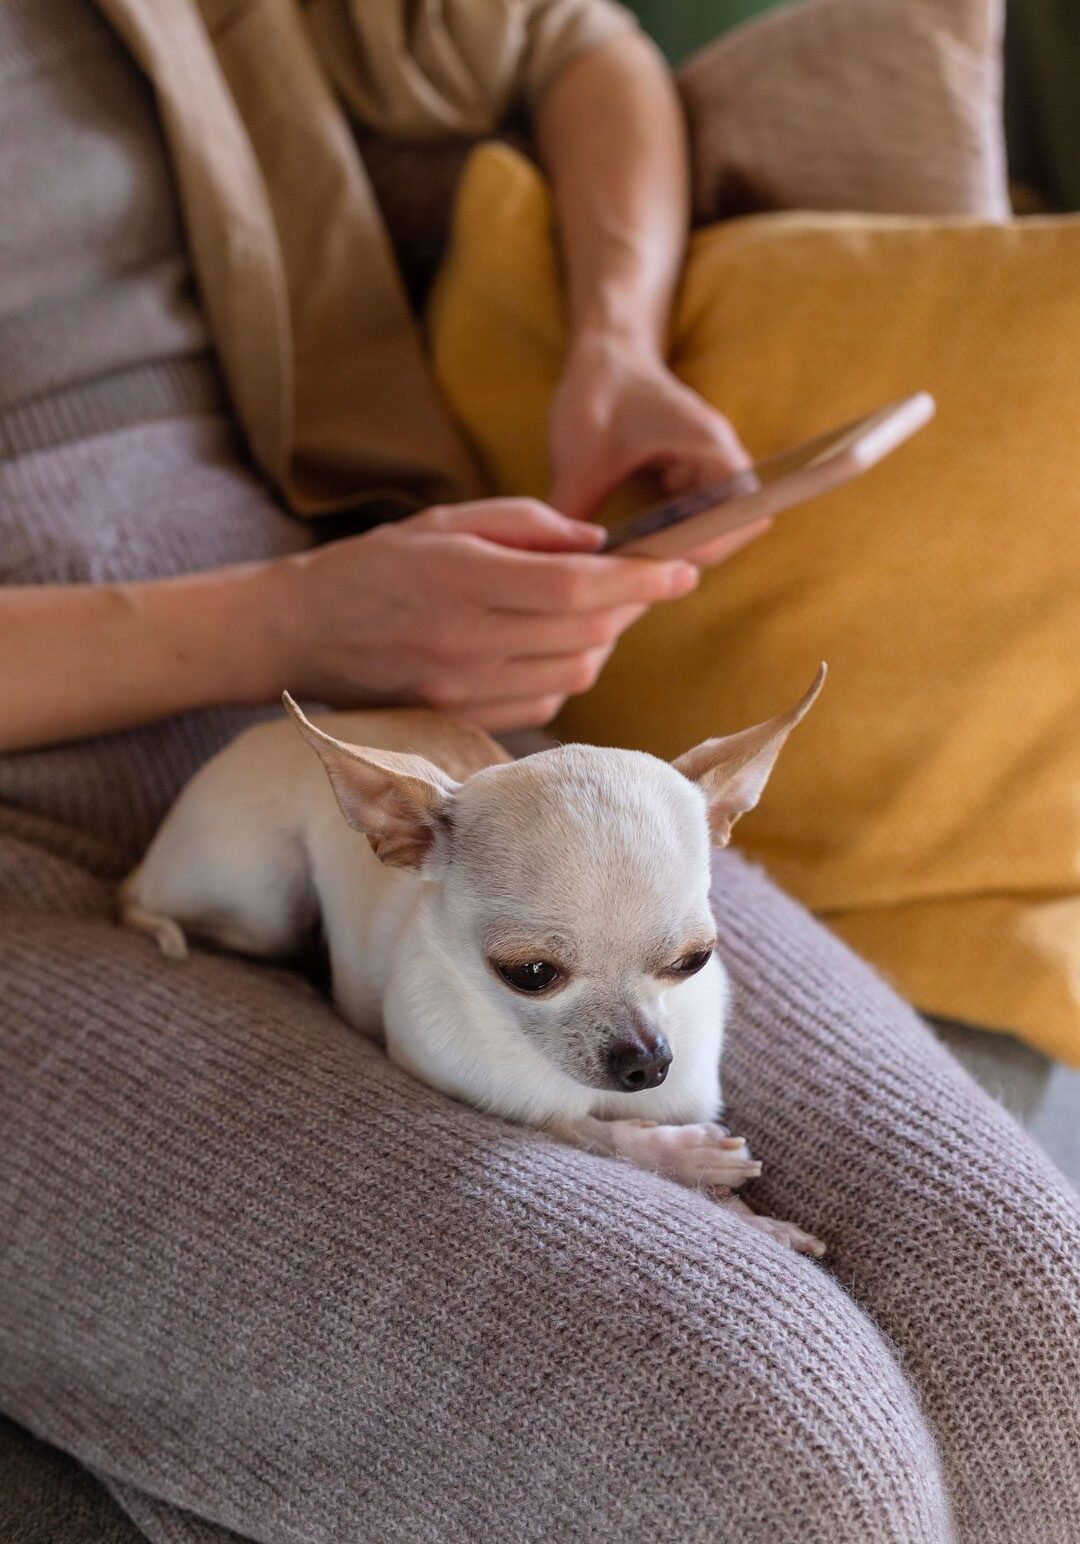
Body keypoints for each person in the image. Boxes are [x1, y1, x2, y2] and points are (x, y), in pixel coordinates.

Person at [0, 3, 1077, 1541]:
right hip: (85, 832)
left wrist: (611, 346)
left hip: (412, 724)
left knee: (1038, 1328)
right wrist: (280, 623)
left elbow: (577, 47)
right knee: (766, 1448)